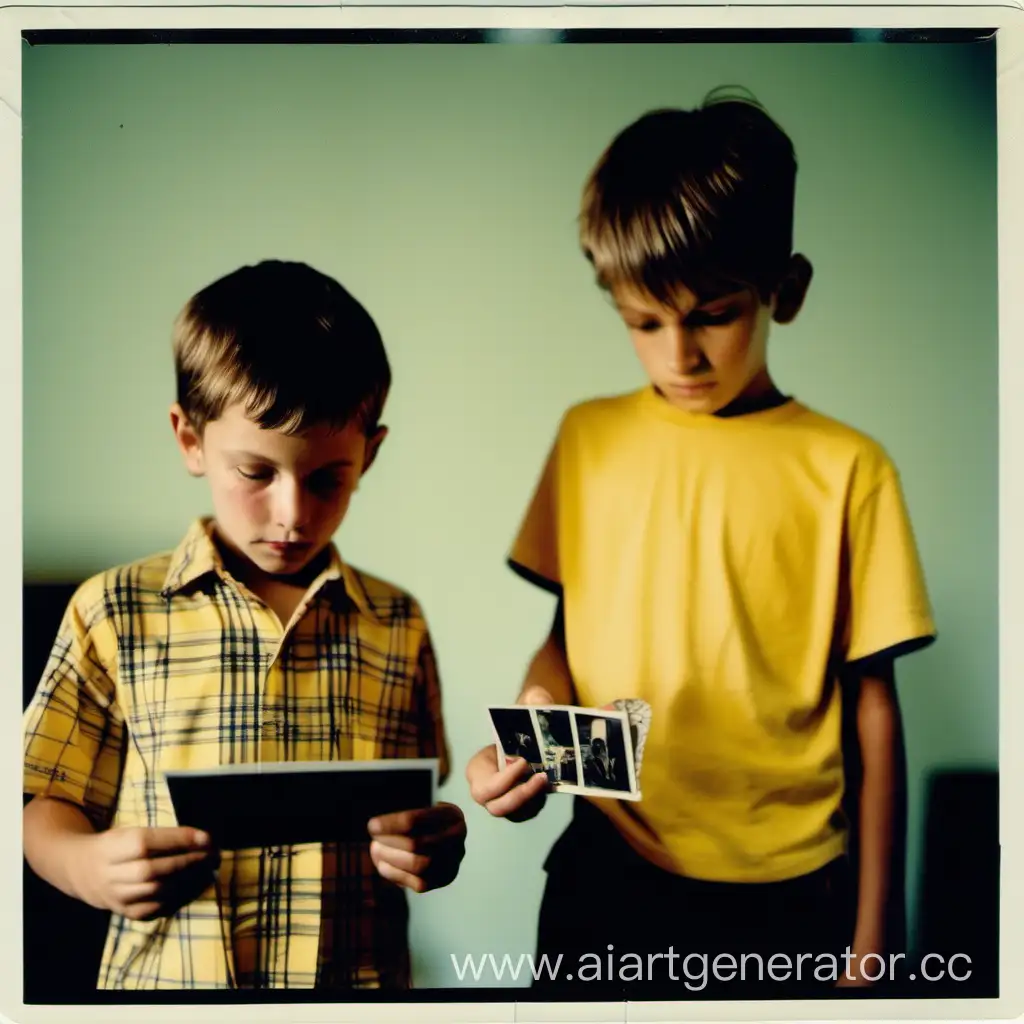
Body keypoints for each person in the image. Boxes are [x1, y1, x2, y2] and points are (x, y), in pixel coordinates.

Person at [466, 87, 936, 999]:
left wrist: (878, 936)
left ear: (783, 292)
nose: (678, 354)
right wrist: (535, 712)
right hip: (605, 870)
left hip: (792, 897)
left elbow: (872, 705)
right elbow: (567, 635)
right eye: (644, 323)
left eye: (712, 315)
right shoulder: (587, 438)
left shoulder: (850, 468)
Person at [22, 260, 466, 991]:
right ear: (190, 440)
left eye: (328, 478)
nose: (292, 514)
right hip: (167, 988)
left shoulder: (397, 622)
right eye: (256, 474)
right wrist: (84, 869)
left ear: (370, 454)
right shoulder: (113, 610)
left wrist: (433, 844)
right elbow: (45, 800)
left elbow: (414, 806)